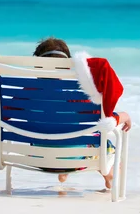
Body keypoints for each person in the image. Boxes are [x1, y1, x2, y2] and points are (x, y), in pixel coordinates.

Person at [32, 37, 131, 189]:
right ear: (67, 66)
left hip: (39, 157)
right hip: (75, 157)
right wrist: (125, 116)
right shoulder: (75, 96)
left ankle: (63, 170)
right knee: (101, 143)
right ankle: (109, 175)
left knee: (64, 136)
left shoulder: (27, 93)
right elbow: (105, 118)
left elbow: (2, 116)